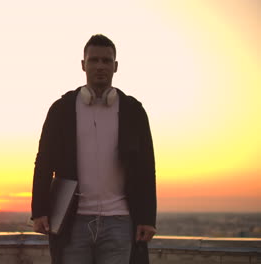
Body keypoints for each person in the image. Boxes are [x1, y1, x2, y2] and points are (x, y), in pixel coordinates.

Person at [31, 34, 157, 264]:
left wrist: (147, 217)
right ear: (83, 65)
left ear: (115, 66)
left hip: (119, 220)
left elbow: (147, 167)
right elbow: (44, 161)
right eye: (94, 60)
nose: (100, 66)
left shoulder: (133, 111)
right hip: (73, 220)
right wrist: (39, 210)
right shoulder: (62, 109)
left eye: (106, 61)